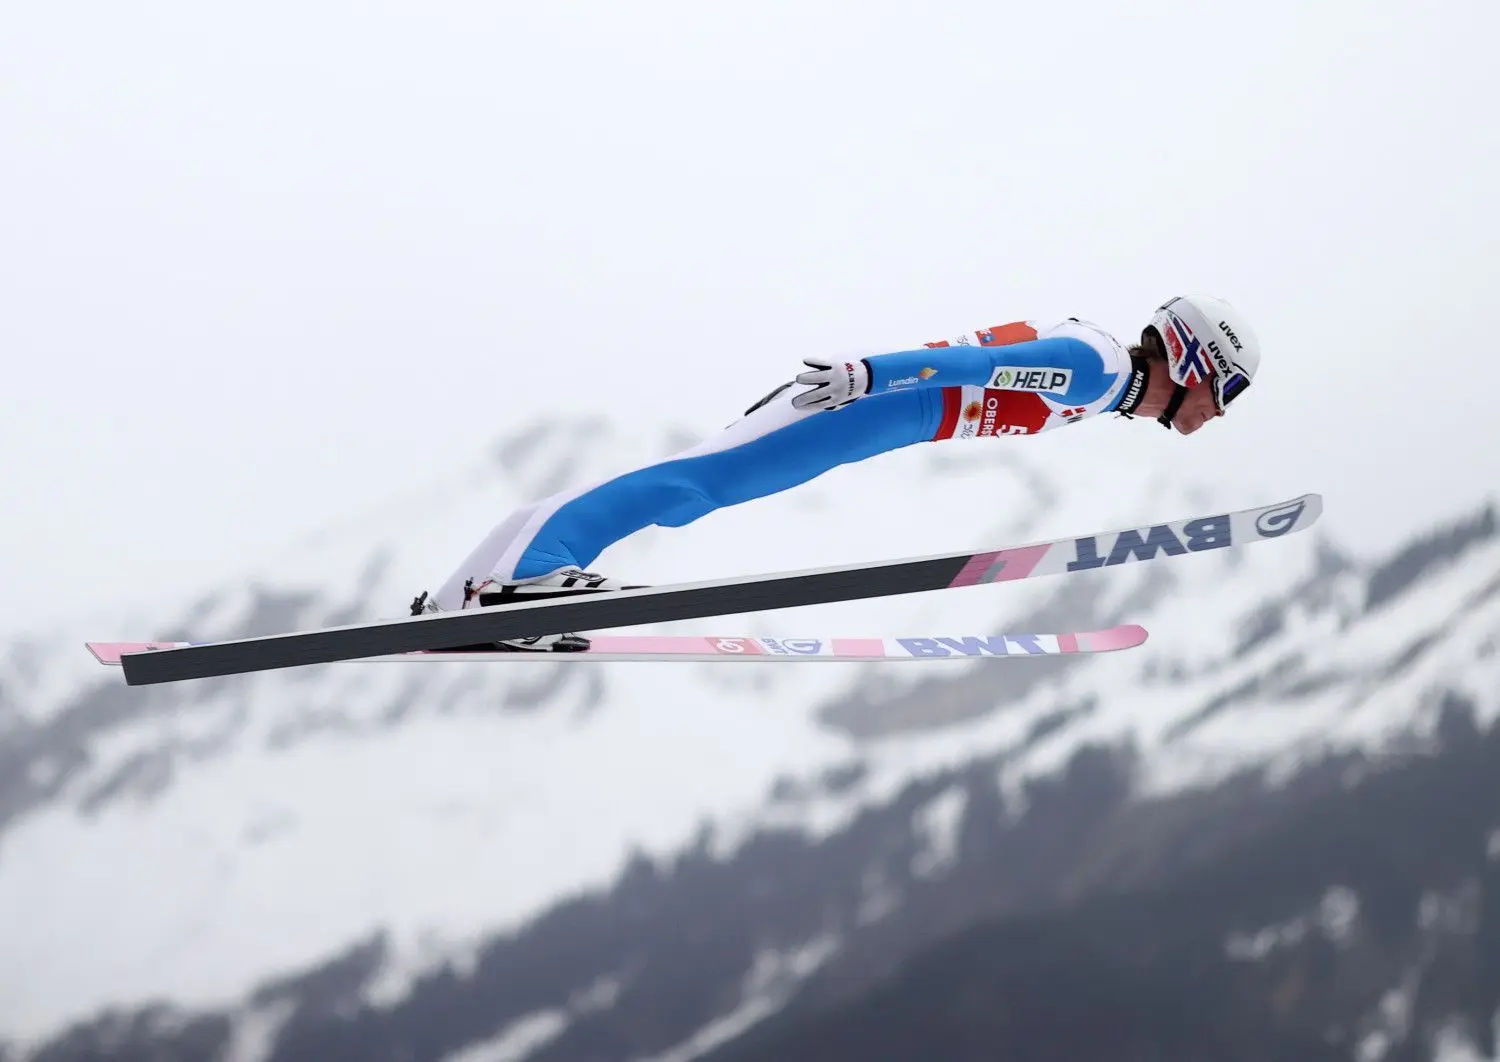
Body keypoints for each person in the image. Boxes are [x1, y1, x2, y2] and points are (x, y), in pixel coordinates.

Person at [408, 294, 1261, 651]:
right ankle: (518, 576)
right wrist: (866, 375)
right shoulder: (1097, 368)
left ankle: (478, 592)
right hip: (862, 406)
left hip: (875, 418)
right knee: (694, 483)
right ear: (1193, 358)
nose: (1219, 412)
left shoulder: (1104, 380)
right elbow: (971, 366)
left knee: (695, 488)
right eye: (1225, 390)